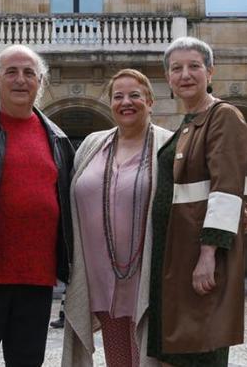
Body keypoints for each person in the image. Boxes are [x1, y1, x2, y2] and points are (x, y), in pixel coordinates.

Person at [0, 44, 75, 367]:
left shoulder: (58, 139)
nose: (20, 80)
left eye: (29, 73)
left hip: (37, 282)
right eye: (11, 72)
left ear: (40, 82)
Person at [147, 37, 247, 366]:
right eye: (176, 68)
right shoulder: (189, 123)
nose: (185, 74)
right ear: (168, 79)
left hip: (199, 257)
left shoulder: (223, 116)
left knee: (200, 347)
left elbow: (225, 187)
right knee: (179, 351)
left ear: (210, 71)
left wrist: (209, 254)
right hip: (176, 256)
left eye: (194, 66)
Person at [62, 69, 173, 367]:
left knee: (150, 359)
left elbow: (197, 193)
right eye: (118, 96)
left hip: (148, 278)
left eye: (135, 95)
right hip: (100, 279)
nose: (127, 102)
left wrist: (243, 208)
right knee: (119, 360)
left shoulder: (169, 145)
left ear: (150, 101)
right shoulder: (91, 145)